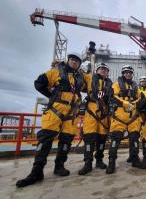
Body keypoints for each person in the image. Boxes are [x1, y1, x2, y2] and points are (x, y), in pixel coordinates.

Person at [16, 52, 84, 187]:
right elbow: (39, 83)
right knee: (45, 141)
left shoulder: (79, 78)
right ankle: (36, 172)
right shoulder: (56, 72)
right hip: (55, 111)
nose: (74, 62)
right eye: (72, 60)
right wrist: (52, 95)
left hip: (71, 114)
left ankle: (59, 166)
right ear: (68, 60)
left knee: (66, 141)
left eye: (77, 61)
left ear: (79, 64)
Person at [106, 65, 146, 174]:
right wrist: (124, 103)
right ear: (123, 73)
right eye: (126, 72)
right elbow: (112, 97)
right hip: (119, 117)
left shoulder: (135, 86)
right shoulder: (116, 84)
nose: (128, 74)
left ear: (132, 74)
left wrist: (134, 104)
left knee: (134, 139)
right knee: (115, 140)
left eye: (130, 72)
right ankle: (111, 162)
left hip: (133, 118)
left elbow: (141, 98)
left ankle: (135, 159)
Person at [78, 63, 112, 175]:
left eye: (105, 70)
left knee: (102, 139)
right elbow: (79, 74)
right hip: (91, 111)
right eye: (101, 69)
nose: (103, 71)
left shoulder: (110, 84)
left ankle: (99, 161)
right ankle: (87, 164)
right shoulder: (90, 77)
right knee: (89, 138)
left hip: (104, 113)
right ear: (97, 70)